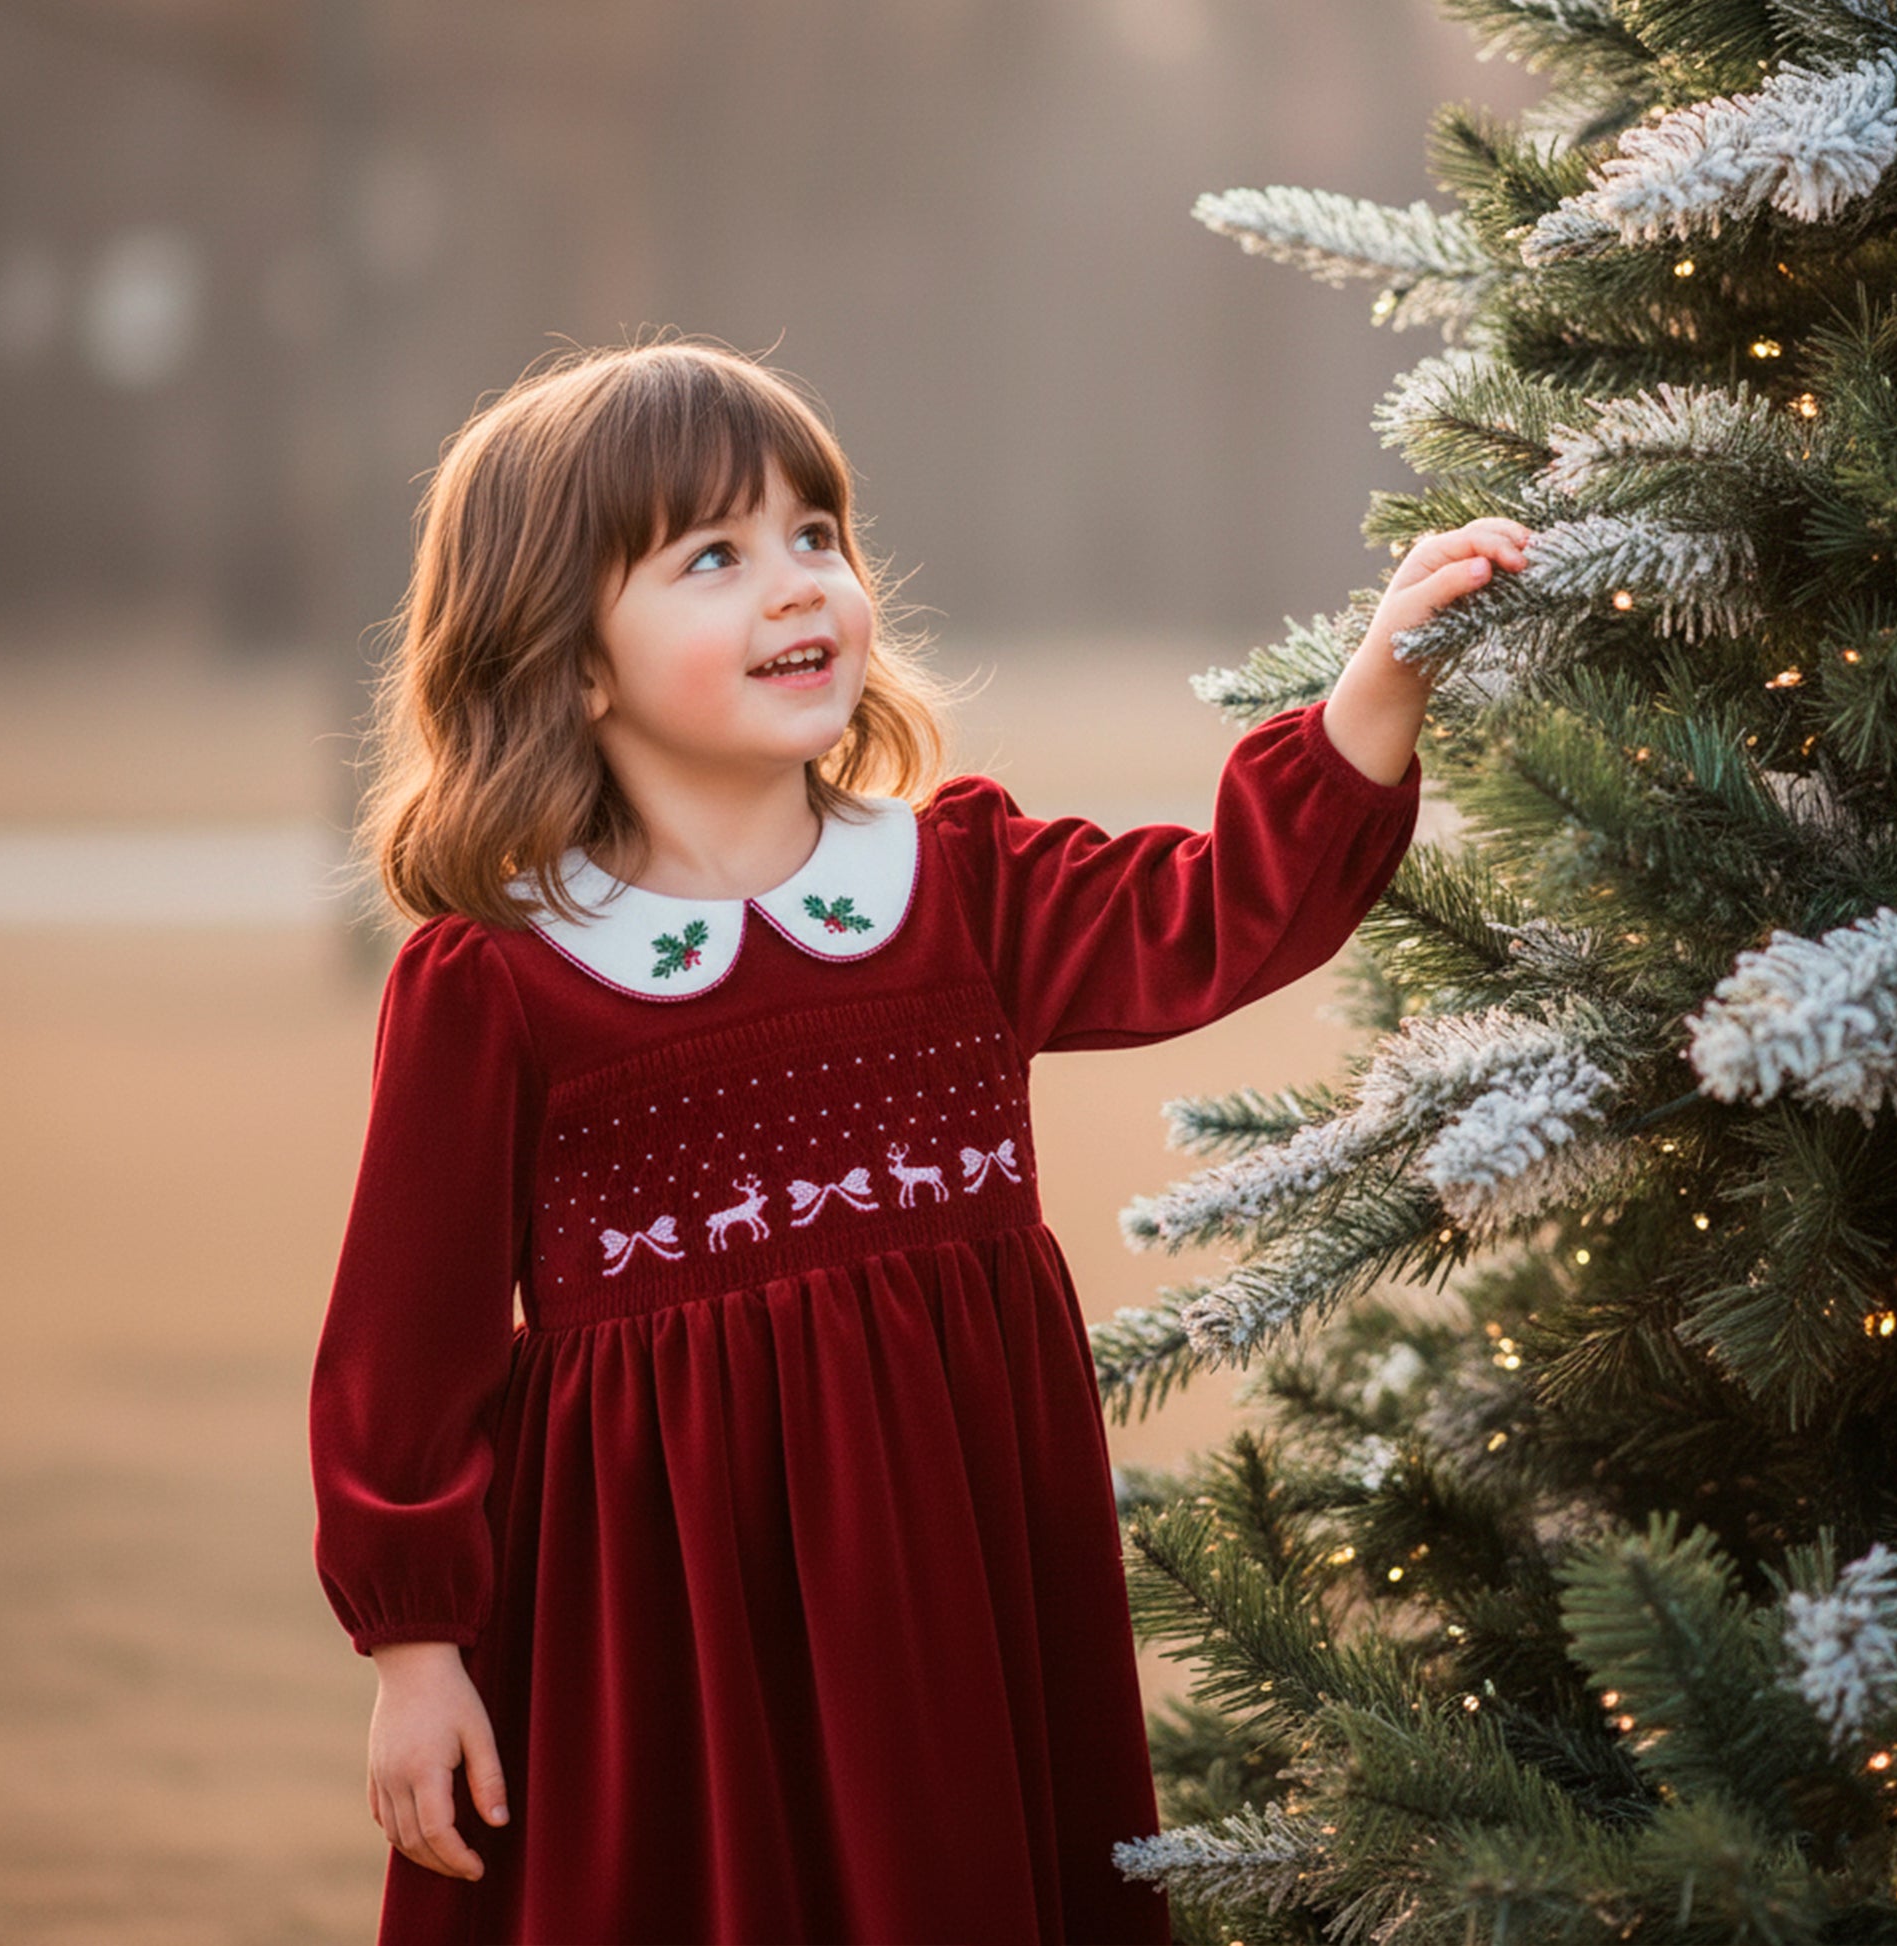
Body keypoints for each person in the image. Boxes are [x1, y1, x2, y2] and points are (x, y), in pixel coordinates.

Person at [309, 337, 1531, 1946]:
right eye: (713, 555)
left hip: (949, 1580)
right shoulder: (506, 979)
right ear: (572, 659)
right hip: (662, 1624)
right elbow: (405, 1348)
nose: (796, 582)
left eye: (815, 533)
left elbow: (1221, 913)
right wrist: (415, 1654)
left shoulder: (956, 883)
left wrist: (1375, 683)